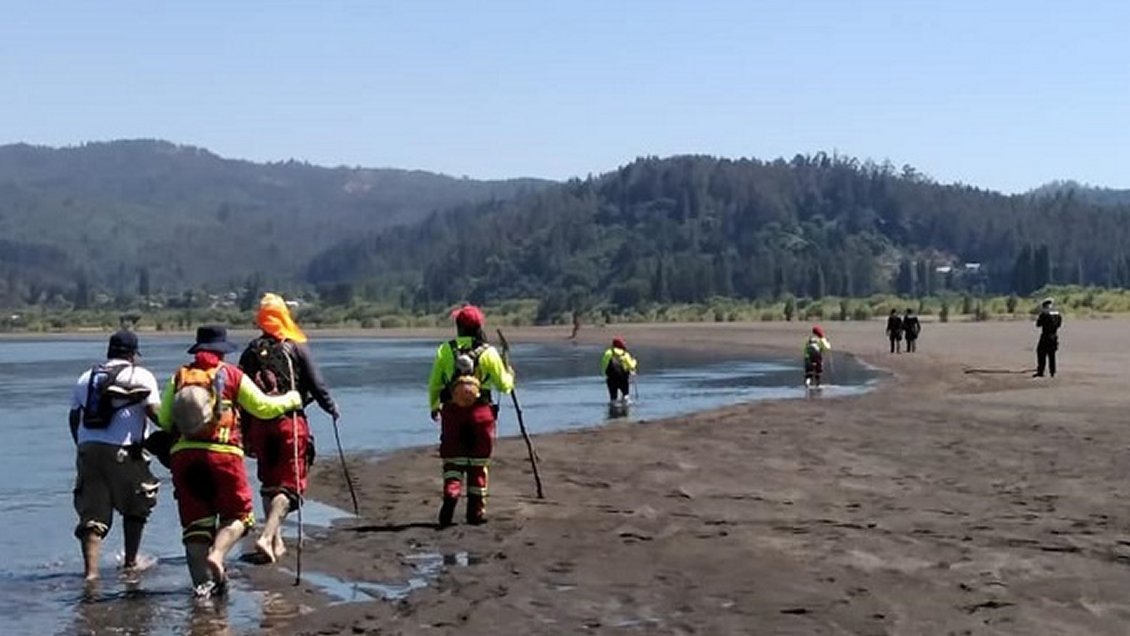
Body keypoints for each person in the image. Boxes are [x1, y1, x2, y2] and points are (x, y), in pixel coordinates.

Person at [156, 325, 302, 595]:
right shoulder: (232, 374)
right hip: (224, 455)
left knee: (196, 526)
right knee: (239, 516)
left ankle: (202, 590)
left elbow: (164, 420)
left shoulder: (180, 376)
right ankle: (218, 554)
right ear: (222, 351)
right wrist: (291, 399)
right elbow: (263, 408)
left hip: (184, 457)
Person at [239, 293, 340, 563]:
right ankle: (266, 536)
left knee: (269, 483)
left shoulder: (250, 351)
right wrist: (331, 408)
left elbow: (240, 392)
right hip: (289, 423)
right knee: (290, 486)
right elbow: (317, 385)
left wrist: (244, 432)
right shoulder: (295, 348)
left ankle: (277, 543)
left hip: (259, 425)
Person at [68, 330, 161, 582]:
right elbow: (154, 413)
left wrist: (82, 447)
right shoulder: (140, 375)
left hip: (88, 450)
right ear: (133, 354)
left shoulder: (86, 377)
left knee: (91, 515)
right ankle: (131, 564)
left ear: (109, 352)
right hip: (125, 450)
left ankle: (91, 574)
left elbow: (74, 417)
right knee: (136, 507)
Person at [427, 305, 514, 527]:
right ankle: (475, 513)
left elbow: (434, 383)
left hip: (452, 414)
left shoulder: (445, 350)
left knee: (453, 461)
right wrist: (510, 374)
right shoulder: (489, 353)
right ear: (479, 327)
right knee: (477, 464)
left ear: (458, 327)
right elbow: (504, 387)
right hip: (482, 415)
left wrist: (434, 406)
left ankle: (452, 493)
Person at [600, 338, 638, 402]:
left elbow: (603, 364)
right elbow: (631, 366)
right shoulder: (625, 354)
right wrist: (634, 361)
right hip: (623, 378)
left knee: (613, 398)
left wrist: (604, 373)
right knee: (625, 395)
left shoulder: (608, 352)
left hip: (611, 378)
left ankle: (613, 407)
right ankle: (626, 406)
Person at [1034, 298, 1063, 378]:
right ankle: (1052, 372)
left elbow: (1038, 324)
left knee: (1041, 353)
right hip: (1054, 336)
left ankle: (1041, 371)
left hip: (1045, 336)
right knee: (1052, 354)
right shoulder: (1057, 313)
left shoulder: (1044, 313)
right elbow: (1059, 324)